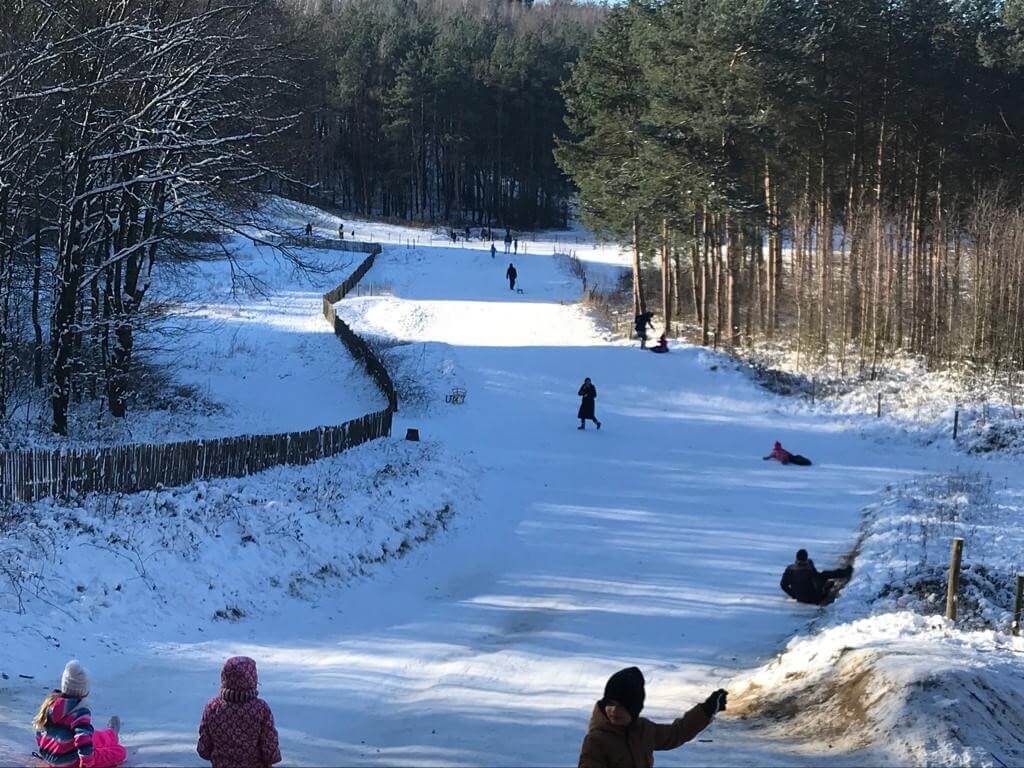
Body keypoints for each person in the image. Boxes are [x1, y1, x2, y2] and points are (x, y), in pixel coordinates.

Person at [578, 666, 726, 768]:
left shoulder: (644, 730)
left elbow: (677, 733)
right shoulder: (596, 741)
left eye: (622, 705)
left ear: (634, 708)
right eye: (610, 704)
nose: (614, 710)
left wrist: (707, 709)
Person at [33, 660, 127, 768]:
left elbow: (40, 733)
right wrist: (87, 762)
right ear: (85, 691)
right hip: (72, 762)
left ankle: (111, 734)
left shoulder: (51, 704)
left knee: (93, 735)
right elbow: (82, 739)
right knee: (120, 751)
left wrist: (49, 751)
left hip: (51, 757)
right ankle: (112, 737)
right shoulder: (80, 711)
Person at [197, 656, 281, 768]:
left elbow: (204, 748)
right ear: (253, 679)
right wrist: (271, 759)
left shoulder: (212, 707)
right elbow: (269, 746)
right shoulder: (261, 709)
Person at [780, 549, 853, 605]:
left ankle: (827, 586)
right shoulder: (808, 568)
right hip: (815, 598)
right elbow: (817, 578)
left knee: (823, 577)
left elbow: (783, 585)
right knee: (825, 574)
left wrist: (794, 595)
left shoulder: (789, 569)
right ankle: (845, 572)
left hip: (801, 598)